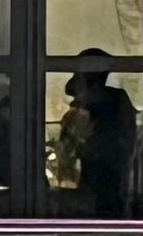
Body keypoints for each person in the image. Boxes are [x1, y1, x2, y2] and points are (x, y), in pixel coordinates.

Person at [59, 48, 138, 216]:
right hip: (99, 194)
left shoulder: (110, 106)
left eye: (78, 75)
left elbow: (104, 152)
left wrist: (77, 136)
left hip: (104, 196)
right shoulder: (109, 105)